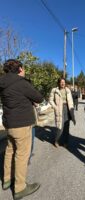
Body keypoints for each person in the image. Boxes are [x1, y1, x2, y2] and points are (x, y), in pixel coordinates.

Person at [0, 59, 43, 199]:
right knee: (22, 155)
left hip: (9, 124)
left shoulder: (3, 82)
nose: (24, 71)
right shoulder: (21, 83)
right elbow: (39, 97)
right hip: (22, 124)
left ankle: (6, 180)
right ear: (19, 69)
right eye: (23, 69)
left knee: (9, 151)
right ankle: (20, 188)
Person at [49, 78, 76, 147]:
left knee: (66, 126)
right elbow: (50, 100)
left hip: (67, 108)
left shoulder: (68, 90)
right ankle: (56, 140)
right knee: (60, 127)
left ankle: (65, 141)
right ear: (59, 83)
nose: (62, 83)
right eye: (61, 82)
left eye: (64, 82)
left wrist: (72, 109)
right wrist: (55, 107)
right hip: (59, 109)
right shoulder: (54, 90)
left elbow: (70, 101)